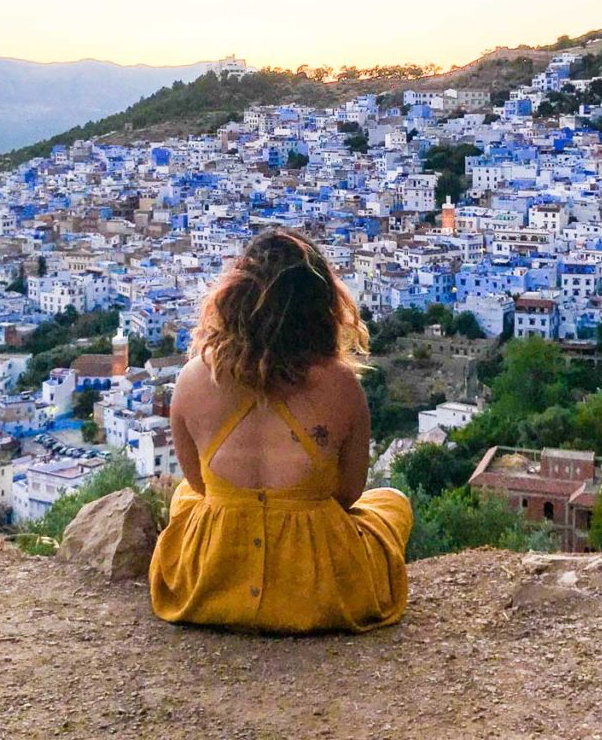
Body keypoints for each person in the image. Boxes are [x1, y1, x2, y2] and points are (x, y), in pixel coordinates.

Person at [149, 227, 412, 633]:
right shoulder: (341, 386)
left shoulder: (193, 378)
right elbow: (348, 494)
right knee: (391, 503)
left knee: (185, 498)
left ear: (233, 299)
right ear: (320, 306)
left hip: (211, 580)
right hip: (316, 587)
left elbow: (200, 485)